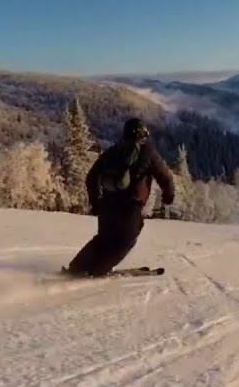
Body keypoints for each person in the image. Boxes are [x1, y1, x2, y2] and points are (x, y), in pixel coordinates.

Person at [64, 118, 175, 277]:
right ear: (142, 134)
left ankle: (77, 267)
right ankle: (98, 270)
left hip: (107, 205)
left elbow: (92, 177)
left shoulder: (113, 151)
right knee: (124, 242)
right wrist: (168, 197)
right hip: (130, 206)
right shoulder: (148, 152)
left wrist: (96, 202)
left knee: (103, 239)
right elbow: (166, 177)